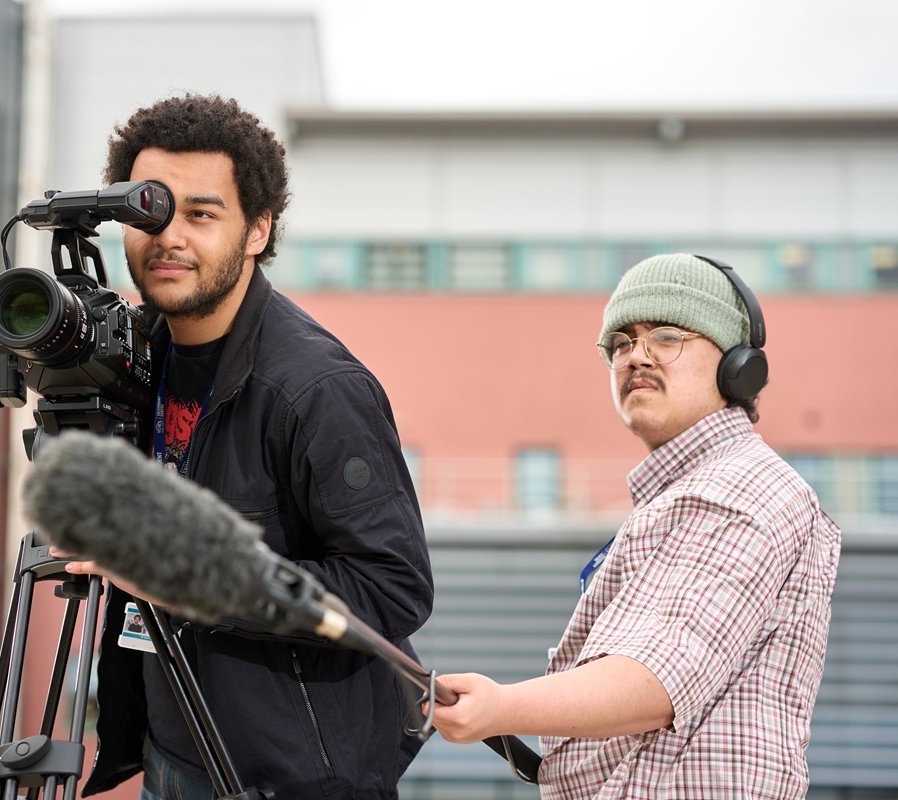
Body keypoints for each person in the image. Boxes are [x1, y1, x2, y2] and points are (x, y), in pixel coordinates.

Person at [50, 94, 434, 800]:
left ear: (257, 229)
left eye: (201, 214)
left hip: (295, 777)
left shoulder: (316, 389)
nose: (169, 237)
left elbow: (393, 588)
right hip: (174, 752)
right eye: (151, 213)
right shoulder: (128, 359)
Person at [425, 253, 841, 799]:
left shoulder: (742, 489)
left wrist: (502, 707)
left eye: (666, 336)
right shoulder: (686, 495)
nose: (635, 357)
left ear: (737, 367)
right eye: (620, 343)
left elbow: (656, 678)